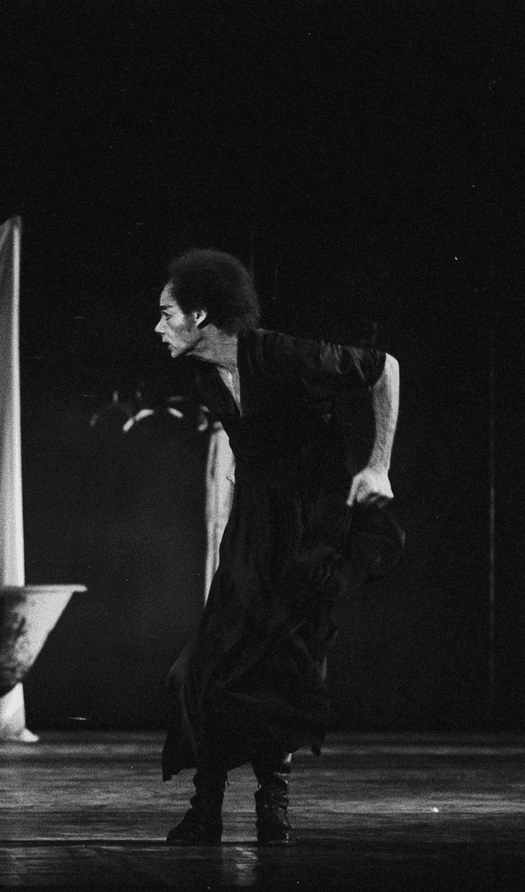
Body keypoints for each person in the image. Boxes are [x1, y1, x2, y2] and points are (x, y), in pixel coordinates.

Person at [155, 249, 402, 846]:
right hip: (257, 524)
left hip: (312, 526)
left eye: (167, 314)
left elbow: (384, 367)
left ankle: (274, 804)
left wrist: (378, 465)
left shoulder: (284, 356)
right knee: (211, 662)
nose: (158, 327)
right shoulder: (205, 374)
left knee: (283, 665)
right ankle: (207, 805)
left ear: (201, 314)